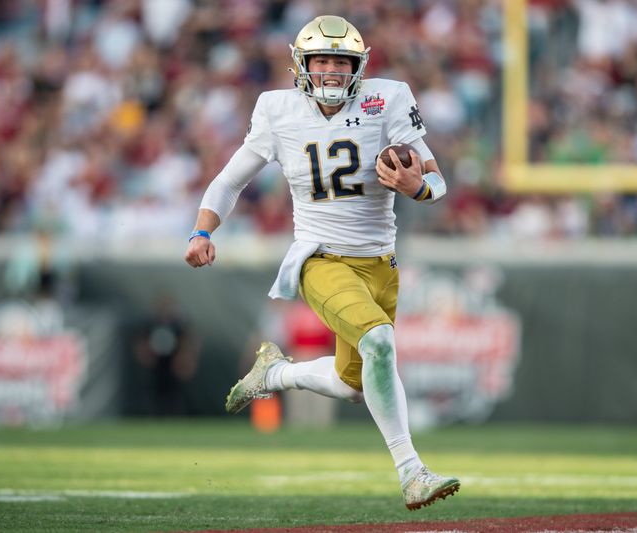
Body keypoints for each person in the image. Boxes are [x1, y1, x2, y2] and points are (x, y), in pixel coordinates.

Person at [184, 15, 457, 510]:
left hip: (380, 265)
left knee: (355, 385)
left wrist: (416, 187)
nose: (331, 70)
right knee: (379, 342)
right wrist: (202, 230)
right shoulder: (277, 107)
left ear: (358, 65)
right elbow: (229, 180)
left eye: (340, 61)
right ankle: (412, 472)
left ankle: (274, 375)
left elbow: (436, 181)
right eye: (322, 60)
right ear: (301, 64)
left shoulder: (389, 97)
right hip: (320, 258)